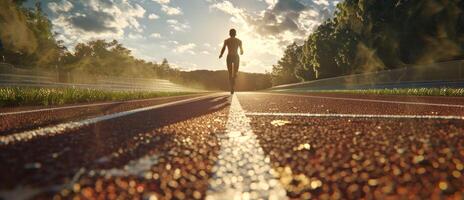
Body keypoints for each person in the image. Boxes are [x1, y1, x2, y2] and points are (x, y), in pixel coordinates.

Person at [219, 28, 243, 94]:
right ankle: (234, 79)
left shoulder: (226, 40)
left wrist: (221, 54)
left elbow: (223, 48)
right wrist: (241, 52)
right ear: (235, 34)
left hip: (229, 56)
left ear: (229, 34)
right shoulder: (239, 41)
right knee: (235, 72)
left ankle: (231, 87)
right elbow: (241, 50)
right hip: (236, 56)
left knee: (230, 73)